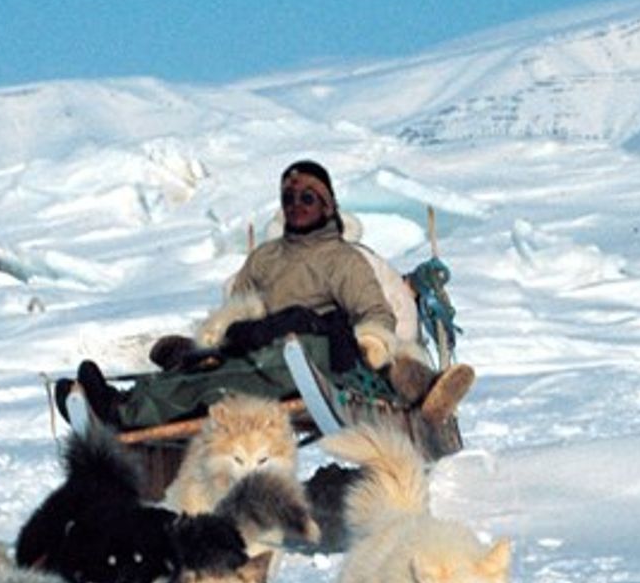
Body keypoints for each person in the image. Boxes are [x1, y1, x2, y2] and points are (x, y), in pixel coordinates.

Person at [69, 160, 472, 431]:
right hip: (261, 345)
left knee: (228, 383)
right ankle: (116, 403)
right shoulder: (264, 258)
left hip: (315, 352)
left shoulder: (342, 259)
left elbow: (374, 314)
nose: (296, 206)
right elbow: (235, 305)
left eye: (307, 198)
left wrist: (368, 350)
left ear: (328, 205)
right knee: (207, 371)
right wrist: (221, 337)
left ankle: (125, 412)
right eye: (289, 199)